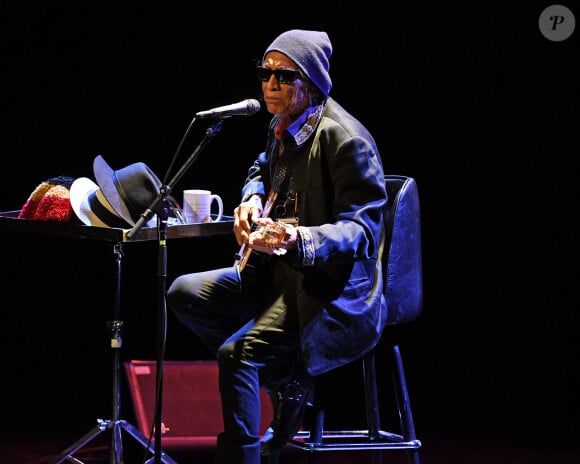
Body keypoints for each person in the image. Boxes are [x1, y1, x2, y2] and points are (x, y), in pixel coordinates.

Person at [166, 29, 387, 464]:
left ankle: (244, 455)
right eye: (265, 74)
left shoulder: (347, 142)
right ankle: (286, 378)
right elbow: (260, 166)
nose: (270, 85)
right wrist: (249, 199)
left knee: (237, 355)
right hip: (274, 271)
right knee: (184, 293)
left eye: (283, 76)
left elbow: (362, 233)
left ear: (312, 81)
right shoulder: (282, 124)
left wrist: (298, 237)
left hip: (326, 285)